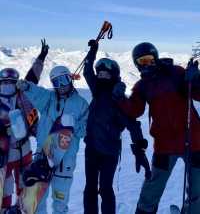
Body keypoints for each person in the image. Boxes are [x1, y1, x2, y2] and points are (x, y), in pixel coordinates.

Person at [113, 42, 200, 214]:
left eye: (150, 60)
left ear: (156, 58)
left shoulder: (176, 73)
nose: (147, 64)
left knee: (198, 188)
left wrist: (196, 80)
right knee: (152, 187)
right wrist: (120, 98)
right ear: (137, 64)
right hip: (164, 145)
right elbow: (135, 110)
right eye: (142, 61)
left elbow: (197, 94)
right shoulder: (142, 85)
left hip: (194, 139)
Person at [83, 39, 151, 214]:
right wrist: (93, 51)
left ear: (114, 76)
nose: (101, 76)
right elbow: (87, 71)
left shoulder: (118, 99)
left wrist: (140, 147)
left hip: (109, 153)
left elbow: (132, 124)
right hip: (91, 149)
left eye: (106, 74)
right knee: (90, 188)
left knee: (105, 189)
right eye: (100, 74)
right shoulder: (97, 90)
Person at [17, 64, 89, 214]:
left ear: (70, 79)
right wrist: (26, 86)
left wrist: (71, 126)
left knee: (60, 203)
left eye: (63, 80)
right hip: (43, 158)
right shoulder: (48, 99)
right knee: (37, 202)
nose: (61, 86)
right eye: (57, 82)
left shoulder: (81, 104)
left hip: (65, 161)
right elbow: (36, 92)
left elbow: (85, 130)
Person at [0, 39, 49, 213]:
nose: (7, 86)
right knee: (13, 188)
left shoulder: (22, 96)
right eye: (4, 83)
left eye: (9, 83)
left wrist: (41, 58)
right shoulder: (22, 96)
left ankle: (18, 210)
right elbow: (32, 77)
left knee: (17, 187)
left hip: (15, 151)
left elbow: (32, 76)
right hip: (13, 152)